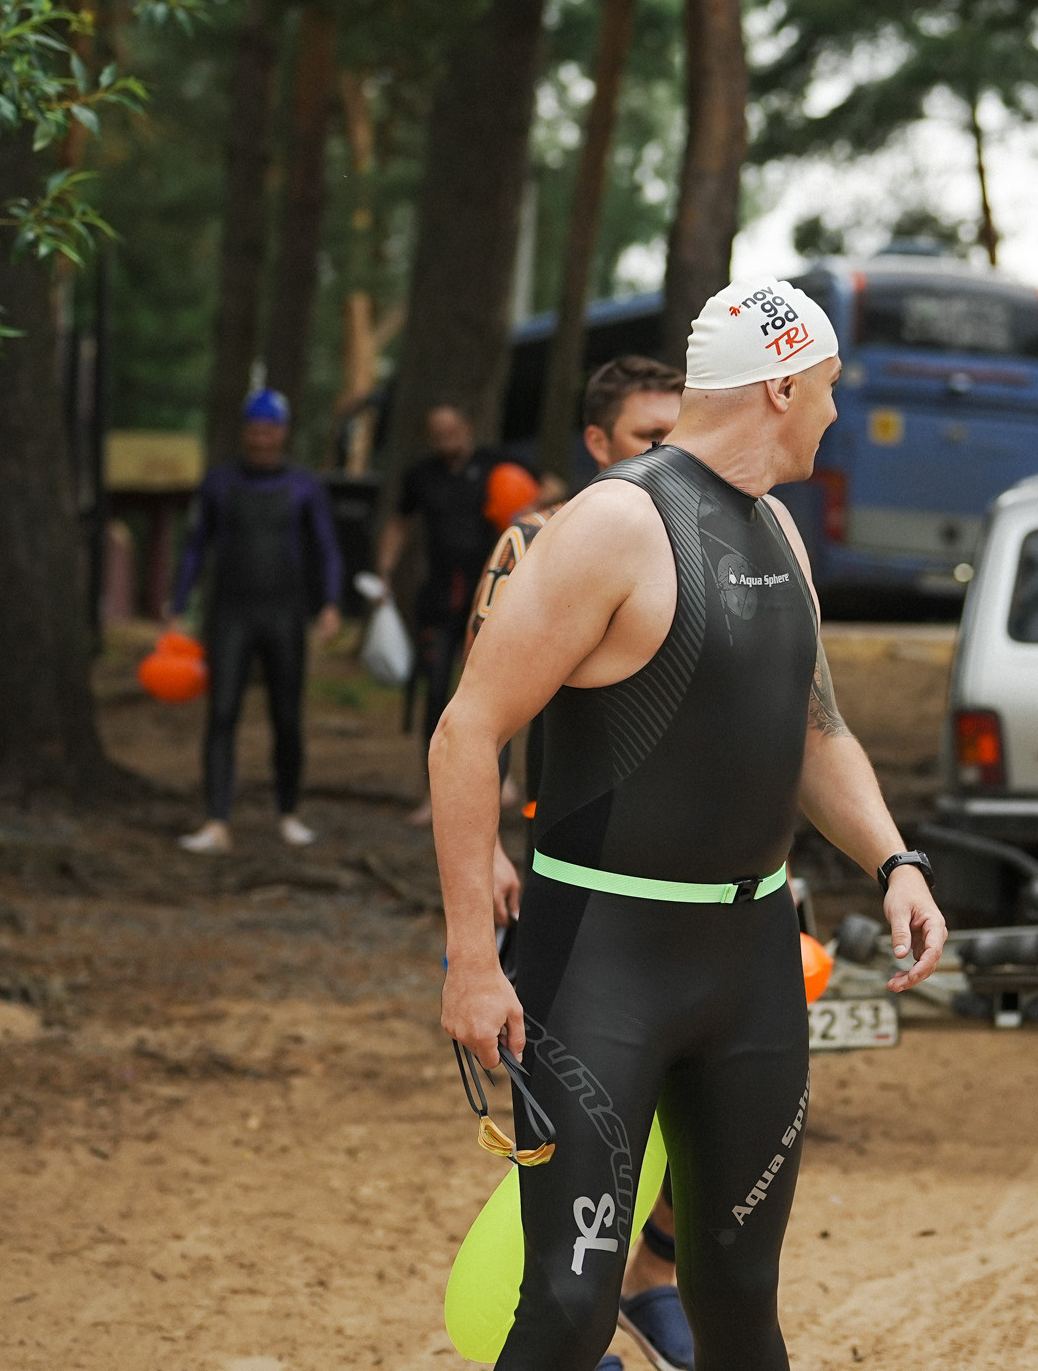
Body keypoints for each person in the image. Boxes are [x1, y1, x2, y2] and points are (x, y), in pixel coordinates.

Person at [435, 280, 948, 1371]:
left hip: (750, 961)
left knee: (740, 1298)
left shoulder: (779, 529)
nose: (835, 411)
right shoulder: (616, 523)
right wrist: (474, 962)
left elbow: (817, 735)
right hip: (602, 963)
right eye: (827, 387)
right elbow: (465, 732)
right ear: (781, 385)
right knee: (569, 1307)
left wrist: (894, 860)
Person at [463, 353, 697, 1369]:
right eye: (650, 436)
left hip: (711, 875)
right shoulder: (535, 540)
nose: (672, 454)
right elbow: (475, 714)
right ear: (599, 443)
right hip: (582, 874)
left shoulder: (728, 533)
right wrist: (485, 852)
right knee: (581, 1111)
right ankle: (569, 1315)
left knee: (707, 1109)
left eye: (682, 433)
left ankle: (654, 1274)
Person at [169, 389, 344, 854]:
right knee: (222, 711)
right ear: (244, 432)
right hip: (230, 613)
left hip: (285, 613)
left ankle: (289, 813)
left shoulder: (305, 486)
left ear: (282, 432)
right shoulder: (219, 483)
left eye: (269, 431)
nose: (261, 439)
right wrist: (178, 606)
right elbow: (195, 546)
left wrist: (330, 603)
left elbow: (326, 548)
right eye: (254, 430)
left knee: (286, 716)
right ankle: (216, 820)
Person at [378, 402, 498, 827]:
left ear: (468, 427)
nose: (447, 440)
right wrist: (385, 571)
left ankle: (498, 785)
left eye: (452, 430)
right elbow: (399, 522)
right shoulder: (421, 475)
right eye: (438, 433)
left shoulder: (495, 465)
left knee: (494, 695)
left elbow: (549, 486)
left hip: (490, 598)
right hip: (439, 600)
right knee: (436, 696)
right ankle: (434, 795)